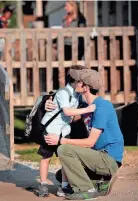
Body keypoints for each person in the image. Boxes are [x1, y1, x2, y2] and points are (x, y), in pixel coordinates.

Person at [44, 68, 124, 200]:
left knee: (64, 149)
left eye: (79, 81)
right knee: (61, 175)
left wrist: (61, 140)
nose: (76, 83)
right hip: (97, 156)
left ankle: (88, 190)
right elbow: (63, 100)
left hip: (108, 159)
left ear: (85, 87)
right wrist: (49, 102)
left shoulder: (102, 107)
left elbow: (90, 142)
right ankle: (101, 182)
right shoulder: (84, 103)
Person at [37, 65, 96, 197]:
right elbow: (67, 111)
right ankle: (43, 184)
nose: (84, 83)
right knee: (46, 157)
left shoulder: (76, 94)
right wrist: (87, 110)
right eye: (82, 80)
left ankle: (63, 187)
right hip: (51, 130)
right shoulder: (64, 93)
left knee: (65, 159)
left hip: (64, 131)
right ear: (76, 81)